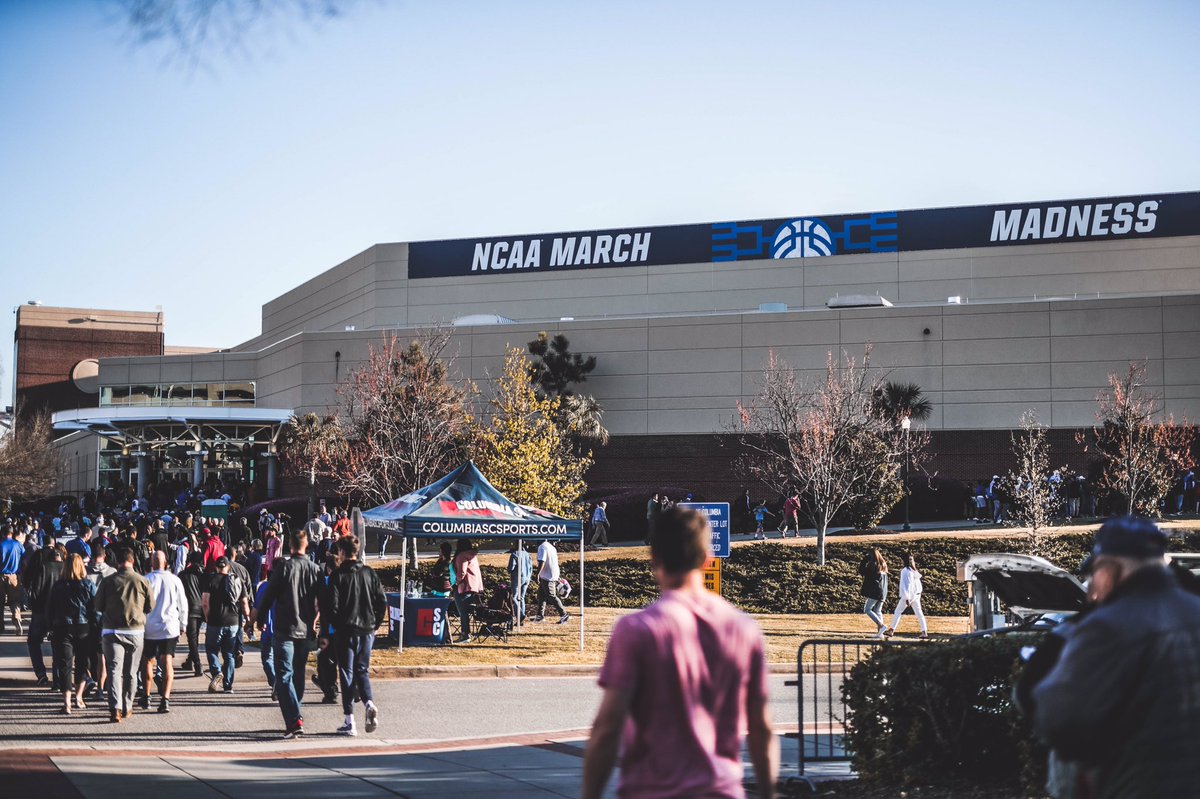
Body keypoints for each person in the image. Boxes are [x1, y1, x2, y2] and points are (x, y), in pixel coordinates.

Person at [582, 507, 778, 799]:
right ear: (706, 558)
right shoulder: (744, 629)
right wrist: (768, 792)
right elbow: (761, 729)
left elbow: (608, 729)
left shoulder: (637, 630)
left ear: (655, 559)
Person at [1027, 516, 1200, 799]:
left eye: (1094, 571)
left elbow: (1057, 717)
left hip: (1134, 784)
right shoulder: (1195, 610)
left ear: (1109, 568)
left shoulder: (1106, 627)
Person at [257, 530, 323, 739]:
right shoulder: (315, 570)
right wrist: (317, 623)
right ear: (306, 546)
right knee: (298, 672)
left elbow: (269, 595)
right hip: (305, 629)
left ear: (291, 546)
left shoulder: (284, 568)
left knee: (284, 675)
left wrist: (259, 620)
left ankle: (294, 719)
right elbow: (323, 601)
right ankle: (296, 712)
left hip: (285, 628)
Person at [321, 535, 386, 736]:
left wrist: (330, 628)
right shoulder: (369, 573)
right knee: (362, 670)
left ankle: (350, 720)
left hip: (345, 630)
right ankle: (368, 702)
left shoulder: (337, 576)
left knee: (346, 672)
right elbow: (381, 601)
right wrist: (375, 623)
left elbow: (330, 606)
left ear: (341, 552)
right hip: (367, 629)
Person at [94, 546, 154, 723]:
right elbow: (150, 606)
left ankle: (115, 708)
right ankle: (128, 706)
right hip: (135, 630)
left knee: (114, 670)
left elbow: (98, 606)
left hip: (111, 630)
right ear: (132, 561)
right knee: (131, 672)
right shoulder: (142, 581)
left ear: (117, 562)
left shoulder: (107, 581)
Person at [47, 553, 96, 713]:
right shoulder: (88, 584)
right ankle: (79, 697)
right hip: (83, 627)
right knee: (82, 663)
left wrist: (50, 627)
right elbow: (94, 609)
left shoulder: (58, 586)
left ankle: (66, 702)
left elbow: (51, 609)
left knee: (64, 665)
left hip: (62, 626)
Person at [139, 551, 187, 713]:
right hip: (169, 627)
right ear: (166, 562)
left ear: (152, 563)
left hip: (149, 627)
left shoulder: (146, 580)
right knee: (167, 662)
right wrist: (183, 623)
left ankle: (146, 696)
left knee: (147, 661)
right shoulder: (174, 580)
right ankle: (165, 698)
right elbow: (183, 603)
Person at [202, 556, 250, 694]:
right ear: (228, 567)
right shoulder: (237, 580)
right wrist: (248, 620)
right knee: (229, 654)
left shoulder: (210, 580)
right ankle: (228, 686)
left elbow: (205, 603)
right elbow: (245, 603)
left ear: (216, 567)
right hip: (233, 623)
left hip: (215, 622)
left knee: (211, 650)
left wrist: (207, 617)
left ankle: (217, 672)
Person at [23, 545, 63, 687]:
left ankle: (41, 673)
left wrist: (34, 607)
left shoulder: (43, 567)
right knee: (58, 644)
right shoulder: (65, 569)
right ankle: (58, 677)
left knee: (33, 641)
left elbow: (35, 590)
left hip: (41, 610)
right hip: (59, 612)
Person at [883, 553, 927, 639]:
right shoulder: (911, 570)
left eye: (912, 560)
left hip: (909, 595)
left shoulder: (906, 571)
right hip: (916, 595)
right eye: (911, 560)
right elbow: (916, 582)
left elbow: (905, 585)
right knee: (919, 613)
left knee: (898, 611)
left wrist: (907, 598)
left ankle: (891, 630)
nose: (912, 561)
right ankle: (924, 631)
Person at [178, 553, 206, 676]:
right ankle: (190, 660)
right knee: (193, 637)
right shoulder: (202, 575)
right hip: (200, 607)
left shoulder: (183, 575)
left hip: (189, 608)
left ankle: (197, 664)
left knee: (192, 638)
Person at [452, 539, 483, 642]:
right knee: (467, 612)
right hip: (474, 587)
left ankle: (465, 634)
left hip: (464, 587)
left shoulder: (462, 556)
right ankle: (466, 633)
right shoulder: (473, 556)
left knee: (463, 612)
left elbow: (461, 572)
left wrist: (457, 582)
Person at [533, 538, 569, 624]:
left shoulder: (542, 547)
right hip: (552, 574)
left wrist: (537, 574)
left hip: (547, 575)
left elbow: (542, 561)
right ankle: (539, 616)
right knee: (541, 595)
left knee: (551, 595)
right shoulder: (551, 547)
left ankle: (564, 614)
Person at [858, 548, 889, 638]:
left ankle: (881, 625)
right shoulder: (883, 565)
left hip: (875, 591)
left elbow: (862, 571)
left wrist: (864, 561)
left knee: (867, 609)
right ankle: (880, 633)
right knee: (878, 610)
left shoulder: (873, 565)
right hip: (883, 591)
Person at [1, 525, 25, 636]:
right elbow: (24, 558)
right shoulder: (18, 545)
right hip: (14, 576)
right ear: (12, 533)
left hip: (1, 575)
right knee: (14, 601)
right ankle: (17, 620)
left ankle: (1, 625)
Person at [506, 540, 532, 624]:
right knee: (521, 598)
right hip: (527, 577)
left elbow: (510, 569)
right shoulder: (527, 554)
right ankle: (521, 617)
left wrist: (509, 570)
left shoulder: (514, 554)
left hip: (517, 578)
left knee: (514, 598)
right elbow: (531, 567)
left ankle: (520, 614)